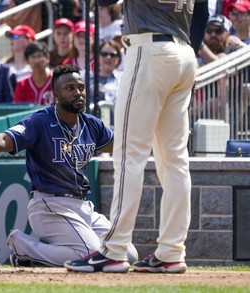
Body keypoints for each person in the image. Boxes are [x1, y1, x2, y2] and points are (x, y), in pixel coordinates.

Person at [64, 0, 209, 274]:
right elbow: (202, 10)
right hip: (183, 53)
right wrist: (192, 49)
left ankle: (114, 249)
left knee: (129, 153)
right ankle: (171, 252)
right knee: (175, 161)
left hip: (149, 50)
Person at [0, 64, 138, 267]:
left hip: (83, 206)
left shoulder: (91, 124)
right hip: (49, 205)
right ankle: (23, 246)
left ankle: (34, 253)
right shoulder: (40, 122)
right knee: (89, 253)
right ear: (56, 94)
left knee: (127, 254)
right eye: (69, 88)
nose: (77, 92)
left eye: (80, 87)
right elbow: (4, 140)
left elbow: (121, 146)